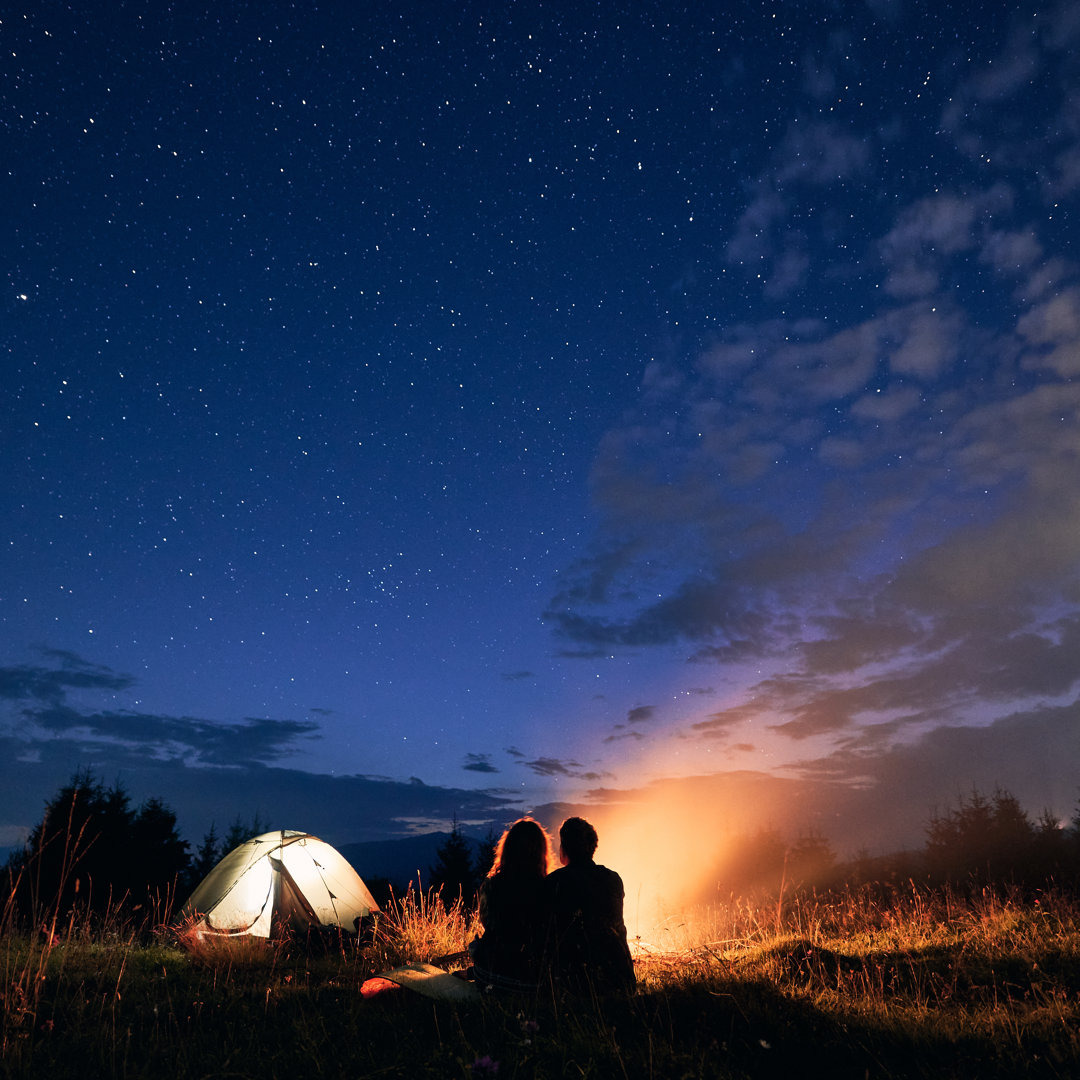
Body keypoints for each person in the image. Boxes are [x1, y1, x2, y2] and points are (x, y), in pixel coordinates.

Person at [544, 816, 636, 993]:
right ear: (592, 848)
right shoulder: (613, 879)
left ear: (564, 849)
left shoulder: (554, 882)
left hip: (574, 984)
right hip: (621, 980)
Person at [468, 817, 553, 992]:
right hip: (534, 982)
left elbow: (487, 923)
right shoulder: (550, 887)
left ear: (508, 850)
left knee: (476, 946)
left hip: (490, 976)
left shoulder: (492, 885)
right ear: (542, 852)